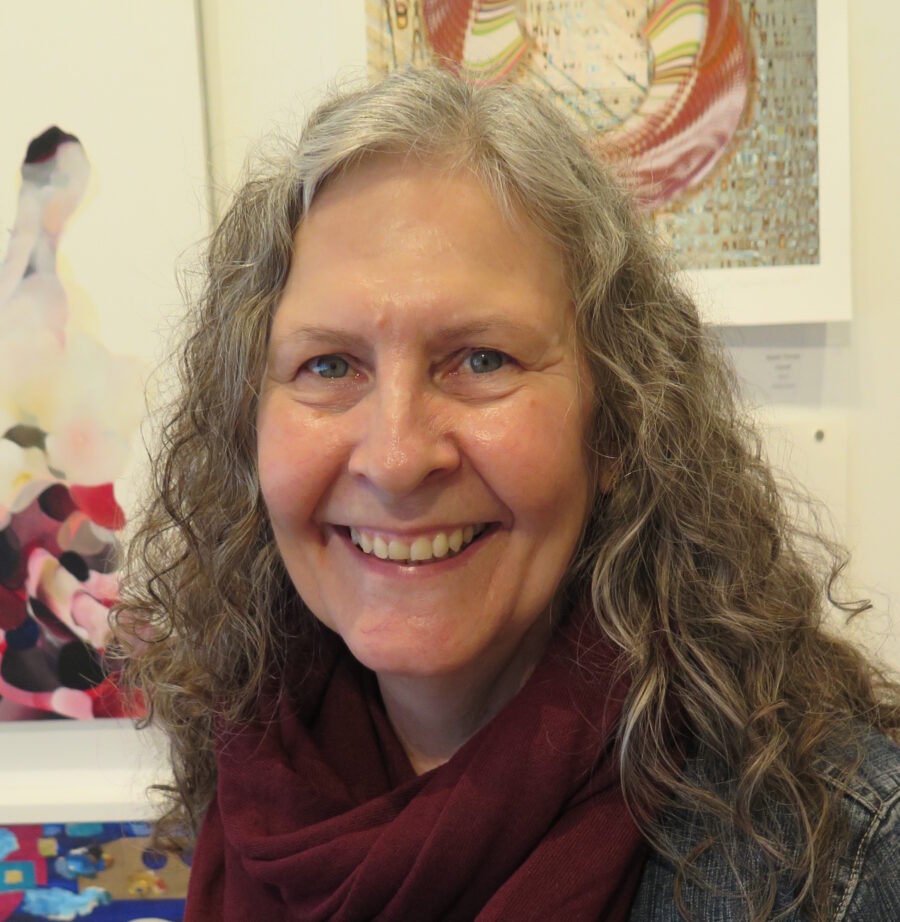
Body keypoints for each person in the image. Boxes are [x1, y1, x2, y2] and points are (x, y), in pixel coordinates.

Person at [114, 68, 900, 921]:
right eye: (329, 366)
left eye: (482, 359)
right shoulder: (253, 785)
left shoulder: (833, 865)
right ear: (250, 430)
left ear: (617, 422)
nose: (398, 456)